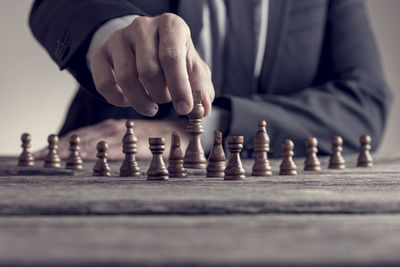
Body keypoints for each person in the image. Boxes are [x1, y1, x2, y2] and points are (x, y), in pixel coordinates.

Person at [29, 0, 392, 160]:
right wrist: (118, 33)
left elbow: (364, 105)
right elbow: (58, 4)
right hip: (97, 187)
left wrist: (198, 131)